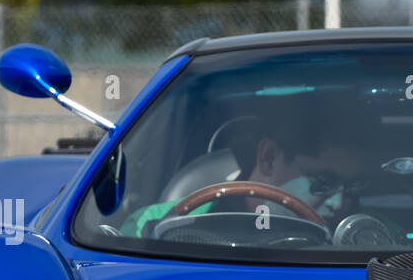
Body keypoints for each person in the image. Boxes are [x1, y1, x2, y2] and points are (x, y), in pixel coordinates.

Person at [122, 99, 373, 238]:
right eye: (324, 181)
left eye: (353, 186)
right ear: (269, 158)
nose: (340, 204)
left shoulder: (368, 234)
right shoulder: (152, 226)